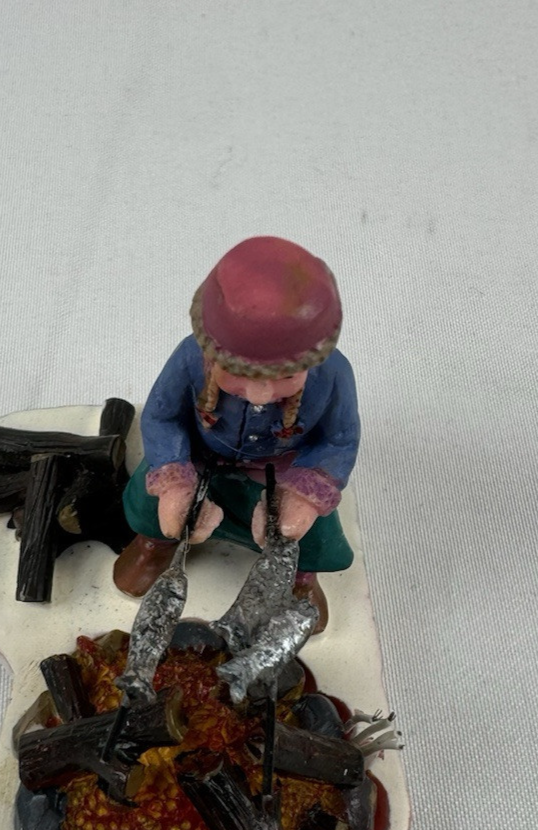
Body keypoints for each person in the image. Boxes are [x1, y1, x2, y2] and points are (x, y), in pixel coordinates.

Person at [113, 235, 360, 632]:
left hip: (280, 472)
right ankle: (154, 546)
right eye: (237, 375)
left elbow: (339, 440)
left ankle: (298, 579)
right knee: (150, 502)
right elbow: (162, 415)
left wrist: (305, 496)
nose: (260, 394)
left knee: (310, 534)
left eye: (285, 378)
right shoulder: (189, 358)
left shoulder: (333, 376)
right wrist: (174, 478)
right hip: (201, 459)